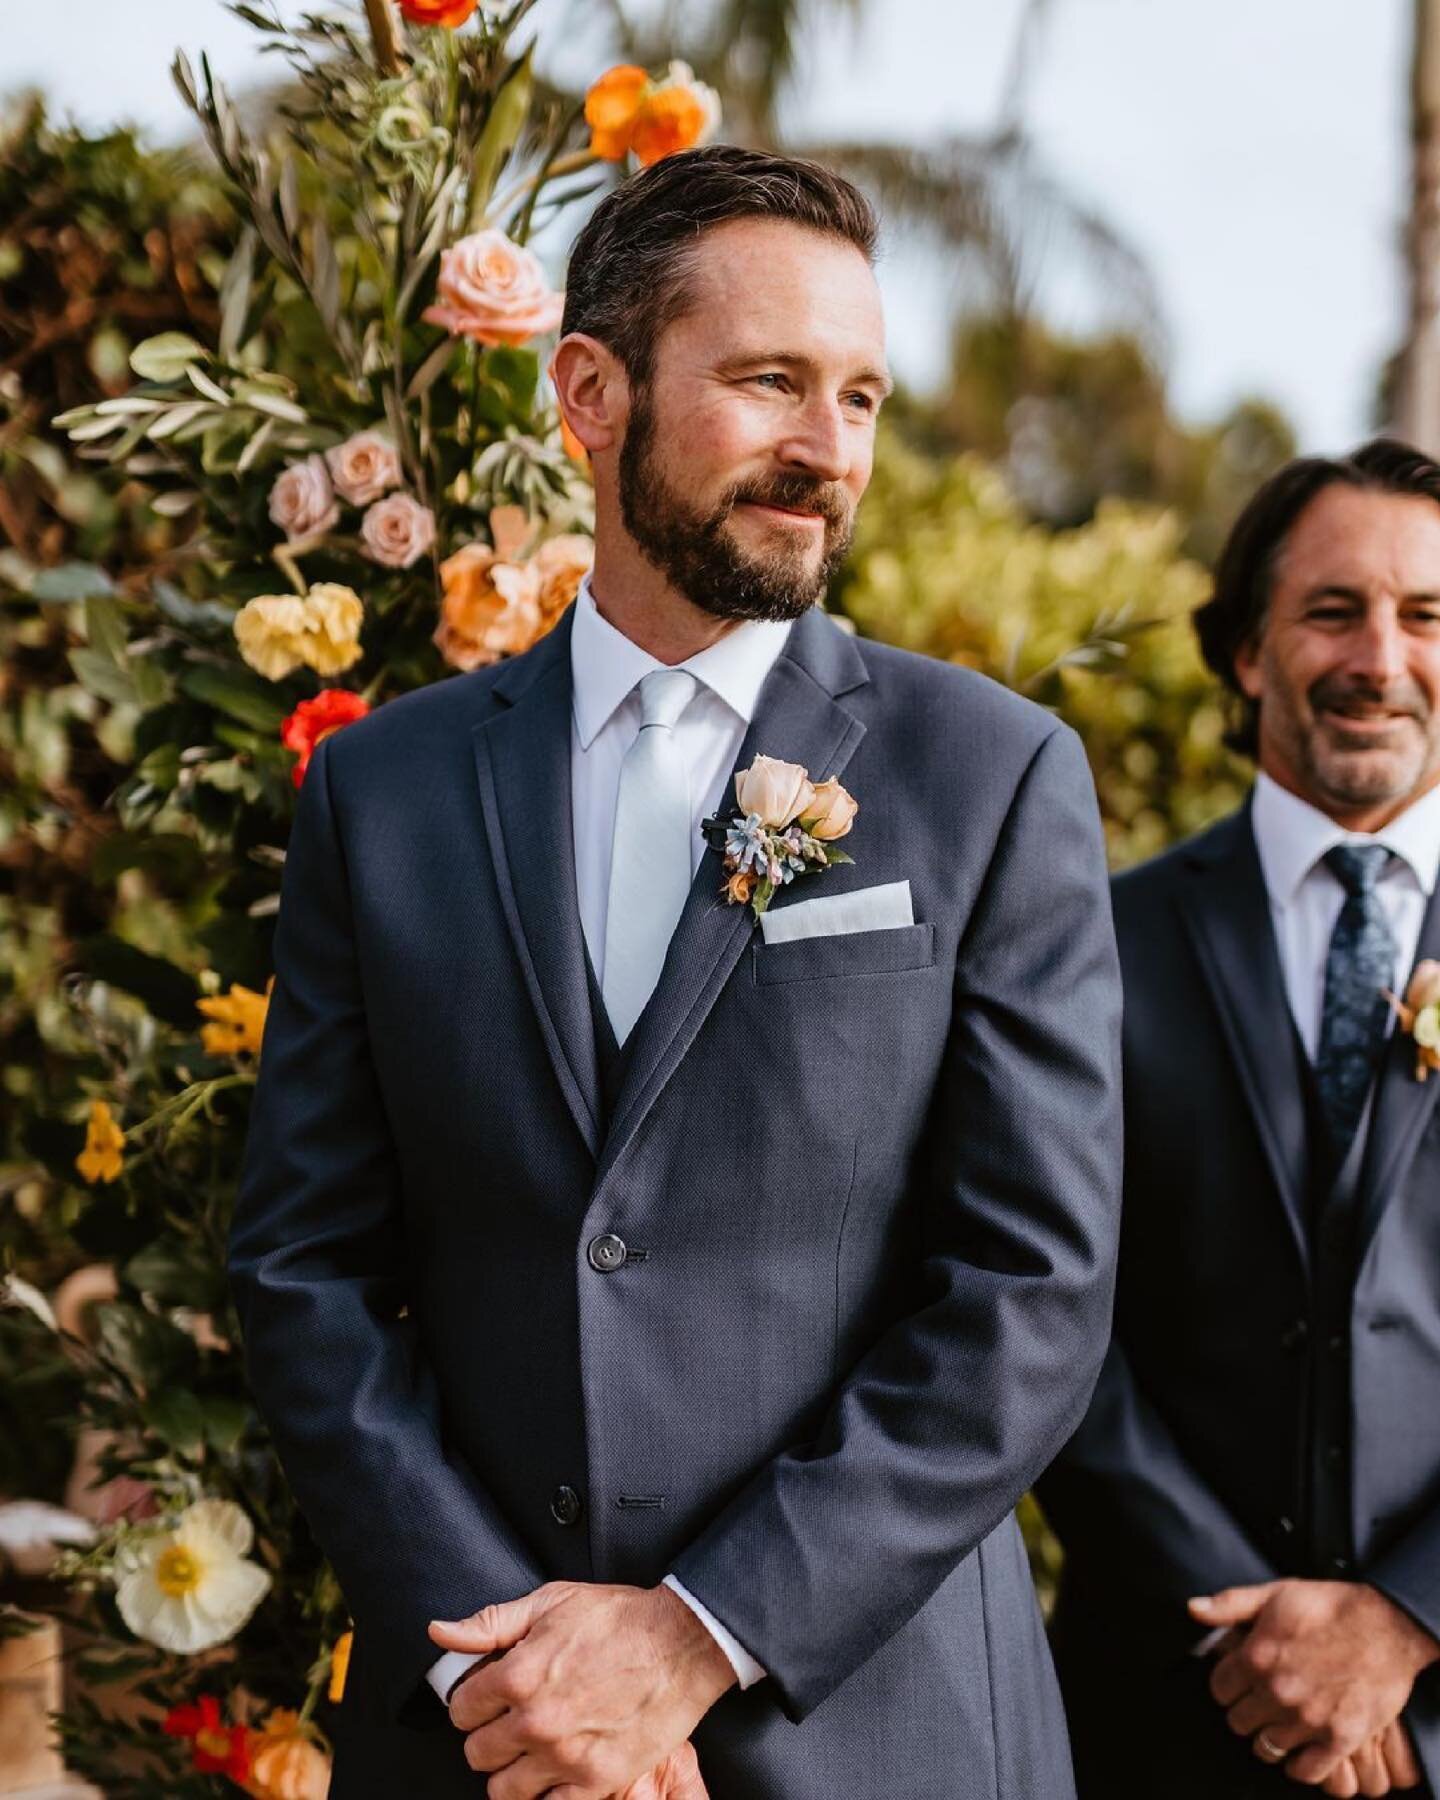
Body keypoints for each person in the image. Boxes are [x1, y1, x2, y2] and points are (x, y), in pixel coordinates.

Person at [230, 144, 1122, 1799]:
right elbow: (305, 1267)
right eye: (769, 382)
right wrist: (507, 1660)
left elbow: (1032, 1297)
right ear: (590, 391)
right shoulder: (389, 788)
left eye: (857, 398)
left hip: (872, 1731)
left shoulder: (990, 775)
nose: (825, 453)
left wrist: (693, 1639)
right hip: (483, 1734)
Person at [1039, 439, 1440, 1800]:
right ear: (1250, 652)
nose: (1380, 656)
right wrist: (1256, 1629)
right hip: (1160, 1709)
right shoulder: (1098, 938)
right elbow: (1042, 1304)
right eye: (1334, 610)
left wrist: (1404, 1619)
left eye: (1427, 618)